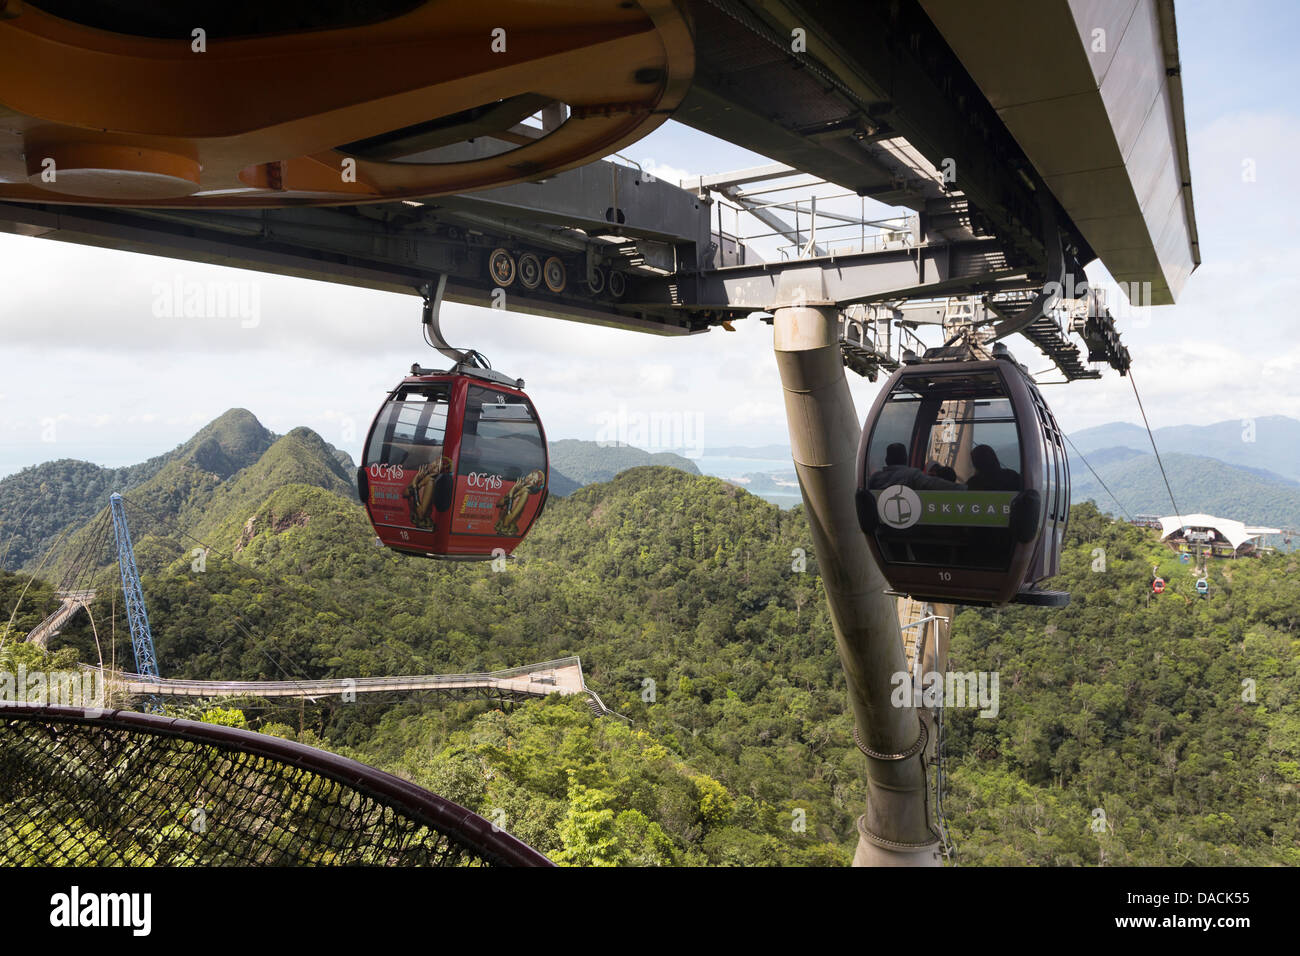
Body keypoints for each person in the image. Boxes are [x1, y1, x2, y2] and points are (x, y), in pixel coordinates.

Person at [869, 443, 962, 490]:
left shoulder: (875, 478)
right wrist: (967, 489)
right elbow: (936, 484)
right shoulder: (912, 475)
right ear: (906, 459)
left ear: (886, 460)